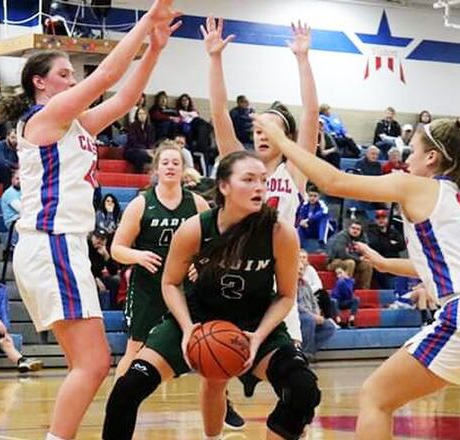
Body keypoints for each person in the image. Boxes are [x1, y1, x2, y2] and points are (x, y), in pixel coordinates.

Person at [254, 115, 460, 440]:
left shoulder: (416, 185)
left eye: (413, 151)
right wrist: (388, 265)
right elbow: (445, 265)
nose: (408, 159)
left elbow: (334, 182)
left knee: (376, 397)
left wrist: (282, 141)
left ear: (431, 157)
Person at [0, 3, 180, 438]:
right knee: (94, 363)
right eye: (65, 74)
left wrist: (154, 49)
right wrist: (146, 20)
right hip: (52, 241)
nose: (73, 80)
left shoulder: (75, 124)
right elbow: (108, 77)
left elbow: (125, 98)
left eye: (74, 76)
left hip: (65, 245)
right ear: (40, 82)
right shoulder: (43, 119)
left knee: (91, 364)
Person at [102, 150, 321, 440]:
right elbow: (170, 284)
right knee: (126, 390)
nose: (259, 187)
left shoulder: (280, 233)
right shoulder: (194, 228)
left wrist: (258, 336)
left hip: (254, 324)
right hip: (197, 317)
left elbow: (285, 295)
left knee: (303, 389)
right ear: (224, 186)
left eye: (263, 180)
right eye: (249, 179)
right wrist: (186, 327)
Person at [203, 15, 315, 399]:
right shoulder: (240, 167)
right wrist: (215, 59)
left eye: (270, 131)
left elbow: (311, 116)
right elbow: (218, 114)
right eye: (256, 131)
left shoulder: (295, 169)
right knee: (214, 363)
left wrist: (302, 59)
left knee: (294, 379)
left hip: (279, 276)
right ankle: (223, 403)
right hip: (237, 271)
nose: (261, 136)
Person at [110, 144, 209, 377]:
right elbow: (116, 249)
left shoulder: (197, 204)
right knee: (135, 348)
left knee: (207, 345)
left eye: (176, 163)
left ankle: (221, 405)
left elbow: (214, 245)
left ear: (184, 169)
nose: (170, 167)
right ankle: (118, 405)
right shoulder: (141, 203)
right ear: (156, 169)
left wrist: (202, 263)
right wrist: (138, 255)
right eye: (165, 163)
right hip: (149, 286)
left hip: (185, 286)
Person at [298, 259, 338, 358]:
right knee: (309, 320)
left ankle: (309, 352)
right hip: (298, 314)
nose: (300, 271)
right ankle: (305, 352)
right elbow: (296, 305)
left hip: (311, 314)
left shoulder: (306, 284)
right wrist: (313, 316)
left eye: (302, 269)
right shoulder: (290, 284)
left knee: (329, 326)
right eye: (298, 269)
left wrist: (318, 314)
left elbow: (313, 301)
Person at [326, 220, 373, 289]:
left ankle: (365, 290)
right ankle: (346, 289)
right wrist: (358, 258)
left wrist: (360, 258)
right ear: (349, 228)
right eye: (353, 228)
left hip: (353, 261)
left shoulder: (363, 238)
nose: (355, 231)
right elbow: (342, 255)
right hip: (335, 261)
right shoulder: (342, 236)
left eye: (358, 229)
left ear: (361, 231)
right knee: (350, 262)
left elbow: (365, 253)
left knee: (367, 264)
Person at [124, 107, 156, 172]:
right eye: (140, 114)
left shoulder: (150, 127)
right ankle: (138, 174)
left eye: (144, 114)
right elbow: (133, 141)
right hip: (132, 150)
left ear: (147, 115)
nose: (142, 116)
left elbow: (152, 141)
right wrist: (145, 150)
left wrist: (150, 149)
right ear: (137, 115)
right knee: (141, 155)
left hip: (147, 151)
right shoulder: (133, 126)